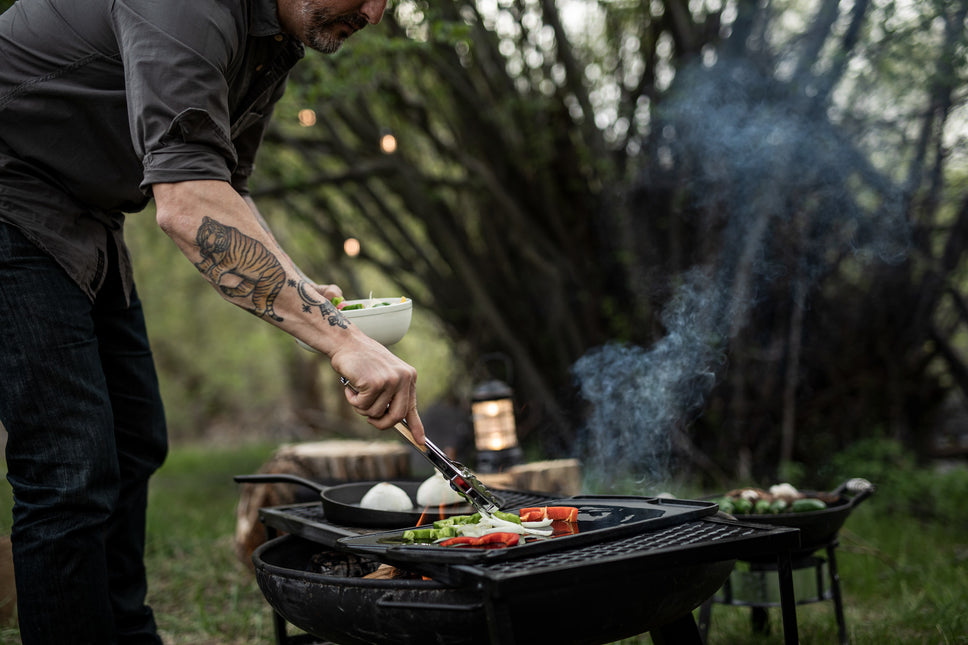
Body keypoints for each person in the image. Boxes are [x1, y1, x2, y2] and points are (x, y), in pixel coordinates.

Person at [0, 0, 425, 641]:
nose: (374, 11)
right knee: (70, 467)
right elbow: (186, 202)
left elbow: (224, 189)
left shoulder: (273, 40)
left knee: (132, 439)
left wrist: (305, 291)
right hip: (9, 195)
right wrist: (341, 341)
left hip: (85, 212)